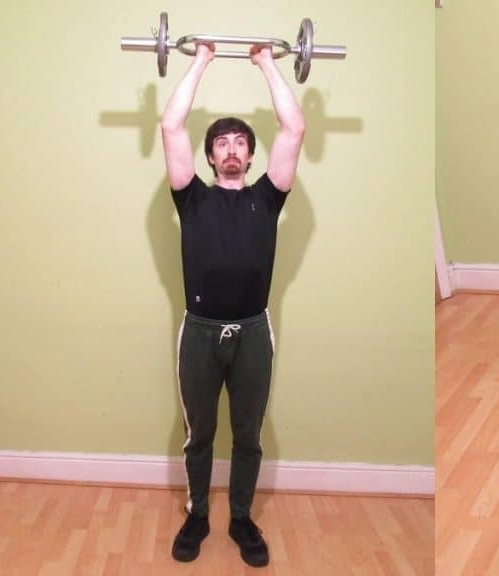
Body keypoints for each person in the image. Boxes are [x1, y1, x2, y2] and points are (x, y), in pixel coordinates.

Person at [160, 40, 305, 567]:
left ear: (250, 154)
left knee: (248, 434)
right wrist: (201, 59)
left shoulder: (268, 196)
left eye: (240, 141)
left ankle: (241, 519)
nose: (231, 148)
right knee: (199, 434)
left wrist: (266, 62)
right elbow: (171, 128)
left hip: (252, 333)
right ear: (209, 155)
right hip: (199, 332)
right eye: (221, 142)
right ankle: (198, 516)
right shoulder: (190, 196)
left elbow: (295, 130)